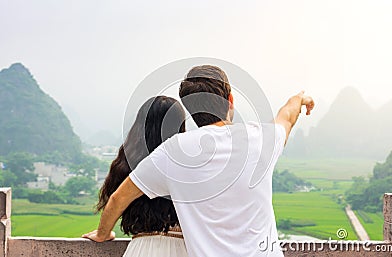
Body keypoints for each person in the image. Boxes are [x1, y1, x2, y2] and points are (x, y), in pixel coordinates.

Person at [83, 65, 314, 257]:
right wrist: (300, 98)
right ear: (231, 99)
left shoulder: (173, 152)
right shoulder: (261, 138)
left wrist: (102, 234)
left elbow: (117, 199)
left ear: (190, 111)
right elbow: (287, 116)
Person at [84, 96, 188, 257]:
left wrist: (102, 234)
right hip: (184, 248)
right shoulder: (188, 163)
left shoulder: (128, 161)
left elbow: (116, 199)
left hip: (140, 248)